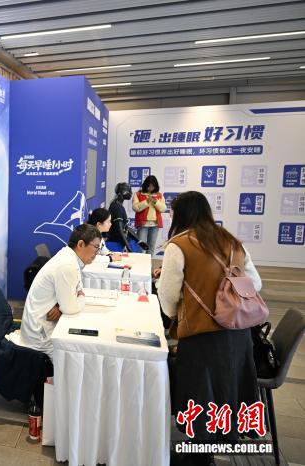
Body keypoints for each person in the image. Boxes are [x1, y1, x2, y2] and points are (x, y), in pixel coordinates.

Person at [157, 191, 262, 461]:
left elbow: (167, 298)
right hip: (238, 335)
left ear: (182, 214)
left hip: (201, 336)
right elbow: (255, 284)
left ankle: (199, 457)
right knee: (224, 395)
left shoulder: (179, 245)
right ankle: (210, 452)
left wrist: (180, 312)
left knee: (200, 397)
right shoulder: (232, 241)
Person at [19, 224, 101, 357]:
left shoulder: (70, 257)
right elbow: (71, 307)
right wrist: (80, 298)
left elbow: (77, 289)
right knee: (81, 353)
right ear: (81, 244)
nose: (97, 252)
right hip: (40, 337)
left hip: (43, 326)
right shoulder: (67, 265)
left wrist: (62, 305)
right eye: (96, 247)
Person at [132, 175, 166, 256]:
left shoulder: (159, 195)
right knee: (141, 246)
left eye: (152, 186)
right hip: (143, 224)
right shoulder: (138, 194)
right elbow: (135, 208)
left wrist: (156, 202)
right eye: (149, 186)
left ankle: (149, 262)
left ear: (156, 186)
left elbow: (163, 209)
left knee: (151, 246)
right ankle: (141, 262)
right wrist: (146, 201)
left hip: (155, 225)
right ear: (145, 185)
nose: (150, 188)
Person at [107, 182, 132, 247]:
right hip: (116, 243)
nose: (131, 193)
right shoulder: (116, 207)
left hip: (120, 241)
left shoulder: (119, 205)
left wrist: (138, 240)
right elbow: (119, 230)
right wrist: (128, 246)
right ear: (123, 192)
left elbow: (125, 227)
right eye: (129, 191)